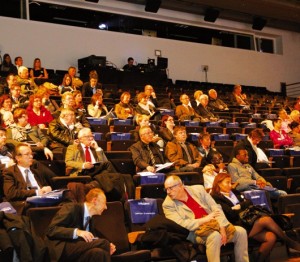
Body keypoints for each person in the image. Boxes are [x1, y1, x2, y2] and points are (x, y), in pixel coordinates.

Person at [211, 173, 300, 262]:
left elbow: (249, 202)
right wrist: (242, 206)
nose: (230, 185)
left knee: (271, 237)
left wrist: (238, 206)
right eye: (227, 183)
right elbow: (231, 214)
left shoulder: (234, 192)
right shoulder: (216, 197)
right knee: (266, 220)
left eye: (231, 182)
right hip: (237, 226)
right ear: (218, 183)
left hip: (249, 221)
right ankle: (289, 242)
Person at [163, 175, 249, 262]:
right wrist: (205, 219)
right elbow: (181, 224)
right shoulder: (168, 204)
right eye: (166, 189)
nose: (168, 192)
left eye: (170, 188)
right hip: (195, 231)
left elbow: (215, 207)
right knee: (215, 236)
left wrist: (222, 226)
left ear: (180, 185)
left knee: (241, 232)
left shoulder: (198, 189)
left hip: (214, 224)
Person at [46, 188, 116, 262]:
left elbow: (92, 240)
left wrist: (107, 245)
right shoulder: (71, 207)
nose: (106, 207)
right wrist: (77, 232)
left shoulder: (90, 219)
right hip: (63, 248)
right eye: (104, 203)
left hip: (78, 251)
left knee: (99, 253)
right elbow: (51, 230)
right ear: (95, 201)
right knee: (104, 243)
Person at [3, 143, 54, 214]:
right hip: (26, 204)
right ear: (18, 158)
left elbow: (50, 182)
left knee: (69, 204)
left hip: (44, 201)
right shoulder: (10, 172)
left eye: (31, 154)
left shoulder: (37, 170)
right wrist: (36, 192)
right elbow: (11, 193)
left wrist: (49, 189)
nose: (31, 156)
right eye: (27, 154)